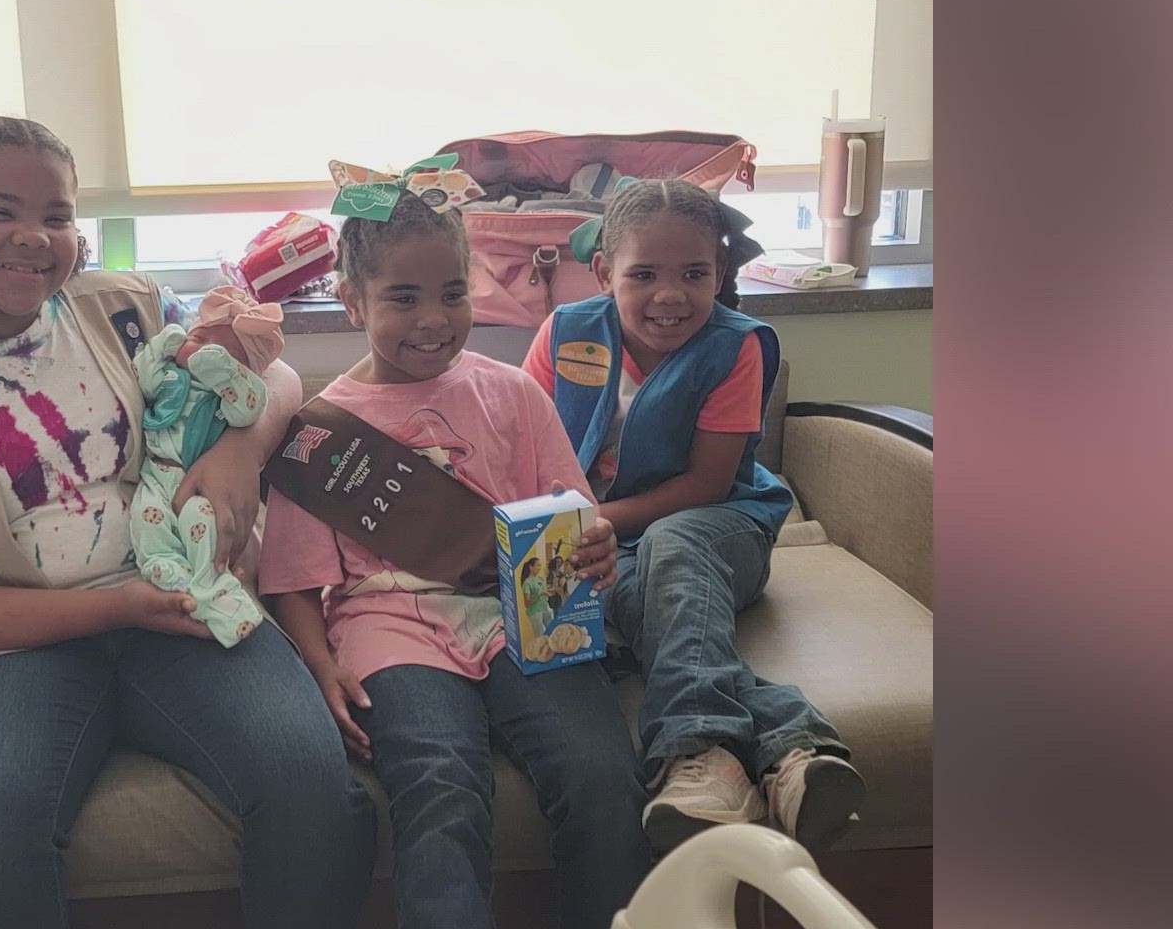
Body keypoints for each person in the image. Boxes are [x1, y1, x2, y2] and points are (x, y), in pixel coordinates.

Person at [0, 116, 374, 927]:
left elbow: (274, 382)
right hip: (8, 644)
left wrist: (241, 448)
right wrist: (123, 605)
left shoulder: (129, 306)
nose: (33, 237)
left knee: (312, 786)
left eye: (56, 216)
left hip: (188, 604)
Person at [259, 192, 653, 929]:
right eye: (402, 299)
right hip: (390, 634)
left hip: (526, 617)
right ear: (352, 301)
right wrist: (321, 668)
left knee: (601, 775)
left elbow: (572, 522)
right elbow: (291, 583)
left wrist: (596, 547)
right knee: (439, 786)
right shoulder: (319, 436)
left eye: (450, 293)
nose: (433, 319)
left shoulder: (513, 393)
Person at [524, 177, 866, 853]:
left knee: (674, 546)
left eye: (694, 273)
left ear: (721, 273)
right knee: (646, 604)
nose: (670, 295)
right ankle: (793, 747)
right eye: (643, 273)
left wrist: (595, 520)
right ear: (602, 272)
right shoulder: (565, 333)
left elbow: (708, 484)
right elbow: (528, 451)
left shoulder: (736, 346)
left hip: (720, 526)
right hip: (614, 545)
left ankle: (697, 753)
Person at [129, 284, 287, 646]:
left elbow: (251, 404)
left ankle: (211, 582)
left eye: (219, 352)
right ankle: (167, 570)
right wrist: (163, 347)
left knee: (203, 519)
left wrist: (219, 372)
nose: (198, 354)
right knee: (147, 521)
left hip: (200, 483)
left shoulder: (229, 397)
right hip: (157, 474)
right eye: (197, 338)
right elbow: (144, 376)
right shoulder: (172, 379)